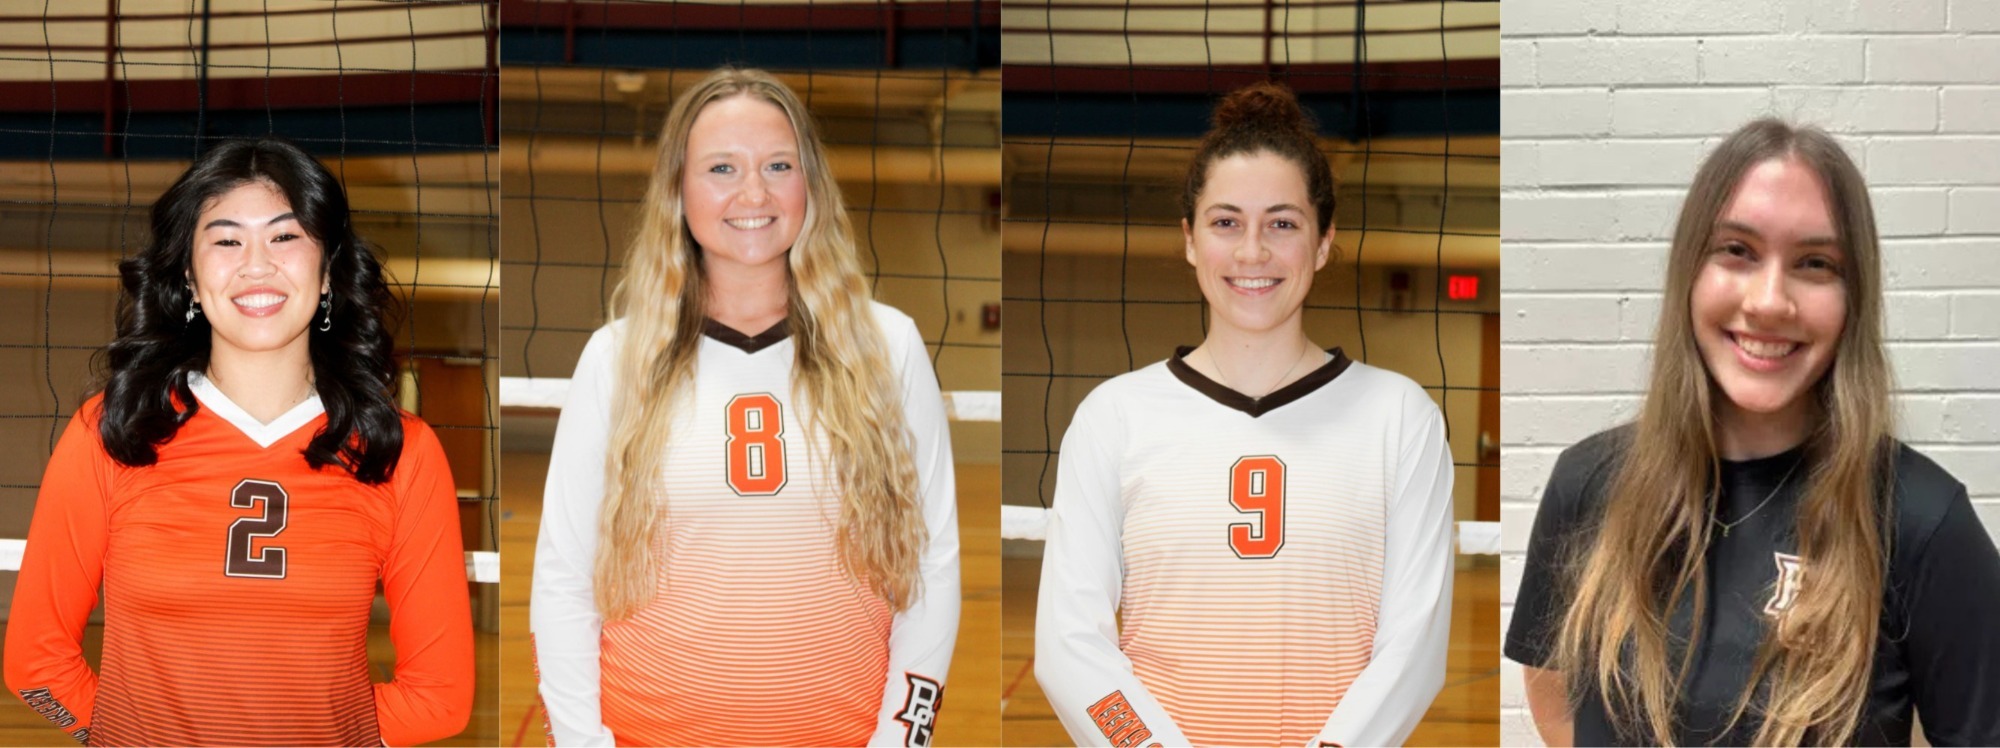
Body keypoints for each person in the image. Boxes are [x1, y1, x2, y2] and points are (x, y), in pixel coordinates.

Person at [1506, 119, 2000, 746]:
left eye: (1815, 263)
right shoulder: (1589, 484)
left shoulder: (1923, 520)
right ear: (1691, 270)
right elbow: (1551, 683)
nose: (1770, 301)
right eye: (1737, 250)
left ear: (1854, 298)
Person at [529, 67, 960, 748]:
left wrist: (900, 740)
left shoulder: (887, 345)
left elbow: (932, 565)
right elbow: (563, 575)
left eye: (778, 165)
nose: (753, 192)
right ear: (678, 190)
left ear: (809, 184)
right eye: (722, 167)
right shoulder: (617, 358)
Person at [3, 137, 475, 746]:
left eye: (285, 236)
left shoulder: (400, 451)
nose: (257, 265)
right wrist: (123, 732)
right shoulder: (112, 431)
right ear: (190, 280)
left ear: (328, 270)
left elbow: (441, 698)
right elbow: (34, 665)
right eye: (226, 240)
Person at [1033, 81, 1455, 748]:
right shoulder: (1114, 416)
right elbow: (1067, 645)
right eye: (1226, 222)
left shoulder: (1400, 417)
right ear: (1191, 240)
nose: (1253, 251)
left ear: (1322, 243)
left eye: (1282, 223)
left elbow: (1414, 648)